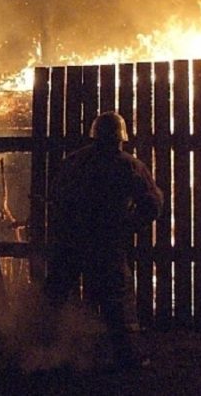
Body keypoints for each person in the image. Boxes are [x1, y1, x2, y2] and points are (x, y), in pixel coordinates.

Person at [44, 111, 163, 370]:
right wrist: (129, 225)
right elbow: (152, 203)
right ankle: (125, 356)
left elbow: (56, 195)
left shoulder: (74, 162)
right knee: (116, 300)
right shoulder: (129, 165)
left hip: (71, 239)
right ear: (120, 138)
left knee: (56, 296)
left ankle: (41, 351)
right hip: (105, 241)